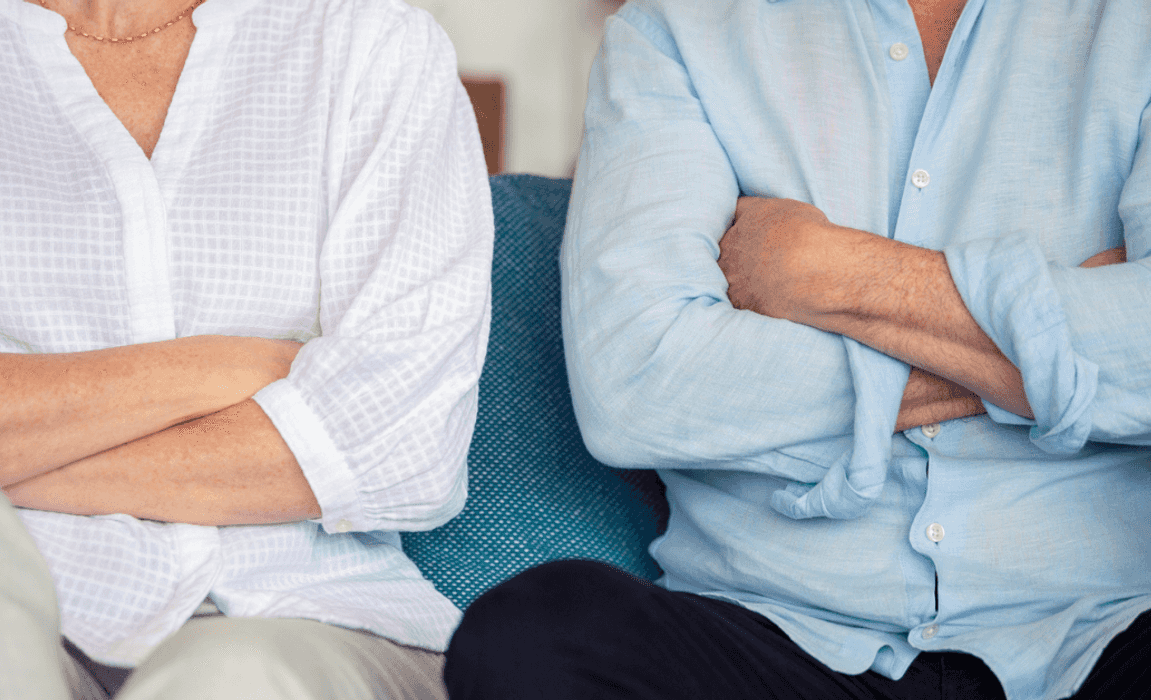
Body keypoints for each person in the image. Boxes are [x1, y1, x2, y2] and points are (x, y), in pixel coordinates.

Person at [444, 0, 1151, 699]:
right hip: (775, 629)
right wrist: (1053, 342)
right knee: (531, 637)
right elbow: (634, 383)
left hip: (1101, 632)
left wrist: (821, 271)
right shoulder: (675, 29)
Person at [0, 0, 493, 697]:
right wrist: (225, 370)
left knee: (231, 679)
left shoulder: (370, 42)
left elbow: (402, 447)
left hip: (302, 614)